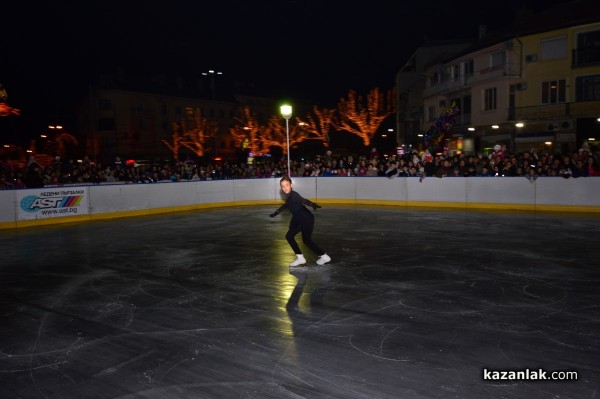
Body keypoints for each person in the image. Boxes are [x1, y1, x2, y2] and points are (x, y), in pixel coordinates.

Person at [270, 176, 331, 267]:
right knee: (299, 238)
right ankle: (319, 257)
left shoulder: (294, 195)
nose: (285, 187)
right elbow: (286, 205)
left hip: (305, 218)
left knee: (298, 238)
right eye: (282, 186)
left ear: (291, 185)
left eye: (287, 185)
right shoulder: (289, 196)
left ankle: (306, 258)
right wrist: (276, 212)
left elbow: (303, 200)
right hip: (303, 218)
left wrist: (312, 204)